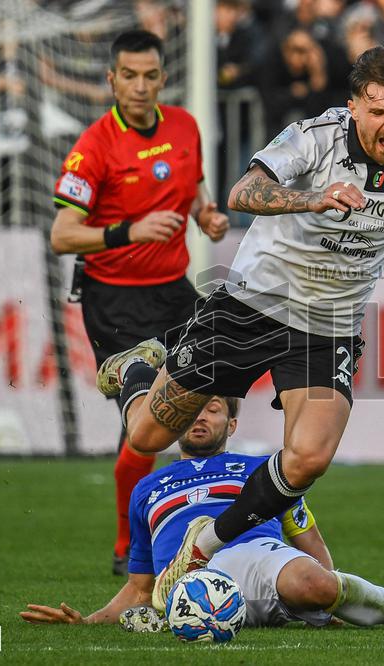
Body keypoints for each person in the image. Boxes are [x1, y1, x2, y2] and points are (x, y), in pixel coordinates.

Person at [94, 45, 384, 606]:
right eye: (377, 110)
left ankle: (202, 547)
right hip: (252, 304)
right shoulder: (313, 138)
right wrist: (313, 199)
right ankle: (135, 369)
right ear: (353, 107)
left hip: (330, 323)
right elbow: (242, 193)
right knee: (147, 436)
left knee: (309, 458)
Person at [19, 396, 384, 630]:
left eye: (215, 409)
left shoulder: (261, 469)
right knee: (167, 589)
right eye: (192, 410)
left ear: (232, 423)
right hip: (183, 579)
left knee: (318, 585)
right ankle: (188, 595)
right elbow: (139, 586)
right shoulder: (146, 487)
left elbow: (309, 539)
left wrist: (329, 597)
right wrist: (89, 622)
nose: (201, 417)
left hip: (254, 555)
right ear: (176, 421)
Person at [48, 29, 229, 576]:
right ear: (111, 79)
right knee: (149, 423)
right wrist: (131, 231)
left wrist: (206, 215)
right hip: (114, 300)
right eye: (129, 75)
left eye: (150, 76)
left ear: (162, 78)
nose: (140, 86)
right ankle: (129, 542)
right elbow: (61, 235)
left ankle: (204, 518)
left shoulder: (184, 126)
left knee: (209, 398)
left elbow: (191, 185)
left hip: (174, 291)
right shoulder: (94, 146)